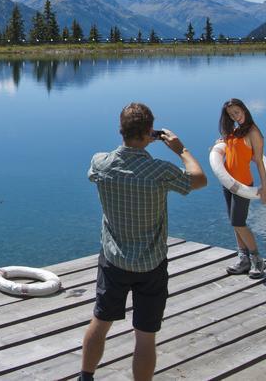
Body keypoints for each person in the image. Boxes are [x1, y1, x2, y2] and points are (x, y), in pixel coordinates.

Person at [79, 103, 208, 381]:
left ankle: (86, 377)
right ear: (150, 133)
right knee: (145, 337)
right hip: (151, 266)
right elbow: (200, 180)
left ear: (121, 130)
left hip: (114, 261)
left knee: (100, 321)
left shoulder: (100, 163)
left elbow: (94, 174)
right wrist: (181, 149)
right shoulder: (160, 172)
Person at [218, 98, 266, 279]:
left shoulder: (253, 132)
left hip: (242, 185)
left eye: (237, 112)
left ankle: (257, 260)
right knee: (235, 223)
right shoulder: (235, 131)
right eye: (231, 115)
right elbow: (230, 152)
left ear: (245, 110)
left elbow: (260, 162)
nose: (235, 116)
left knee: (238, 222)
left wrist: (264, 187)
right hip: (228, 183)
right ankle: (243, 260)